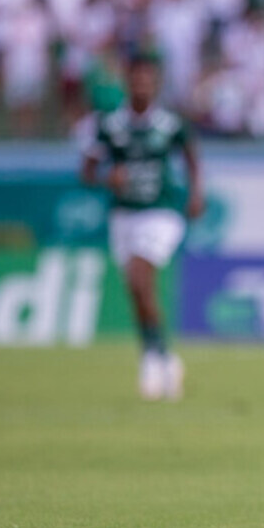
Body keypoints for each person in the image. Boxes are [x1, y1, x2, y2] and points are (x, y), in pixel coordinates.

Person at [79, 50, 205, 401]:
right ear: (127, 81)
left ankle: (153, 360)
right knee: (137, 292)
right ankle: (161, 355)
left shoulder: (169, 123)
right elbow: (86, 170)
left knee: (140, 275)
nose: (143, 85)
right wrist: (107, 177)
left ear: (156, 83)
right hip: (124, 215)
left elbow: (192, 156)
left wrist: (197, 194)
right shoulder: (110, 125)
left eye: (149, 79)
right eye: (137, 78)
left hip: (160, 213)